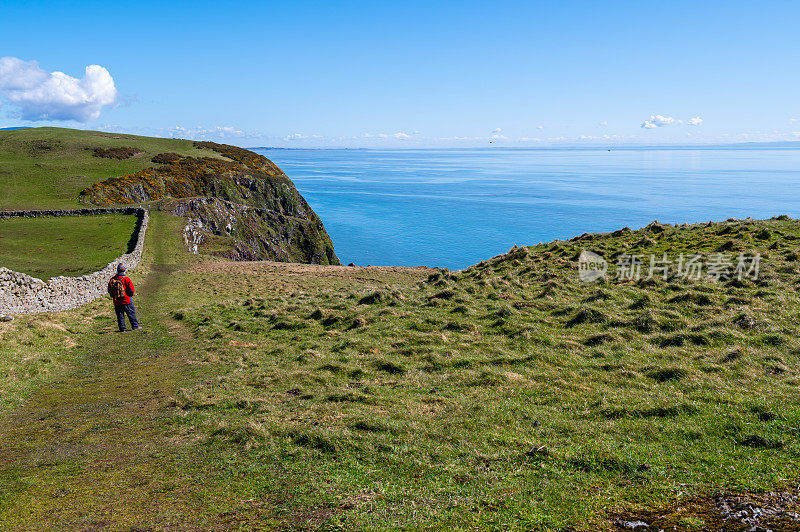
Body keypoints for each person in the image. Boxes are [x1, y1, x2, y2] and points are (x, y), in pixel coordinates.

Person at [108, 263, 140, 332]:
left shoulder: (112, 279)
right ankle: (135, 326)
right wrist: (129, 295)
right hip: (126, 300)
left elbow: (109, 290)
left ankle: (122, 328)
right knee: (131, 313)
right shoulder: (126, 279)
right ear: (124, 271)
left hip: (116, 301)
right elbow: (132, 291)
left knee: (120, 315)